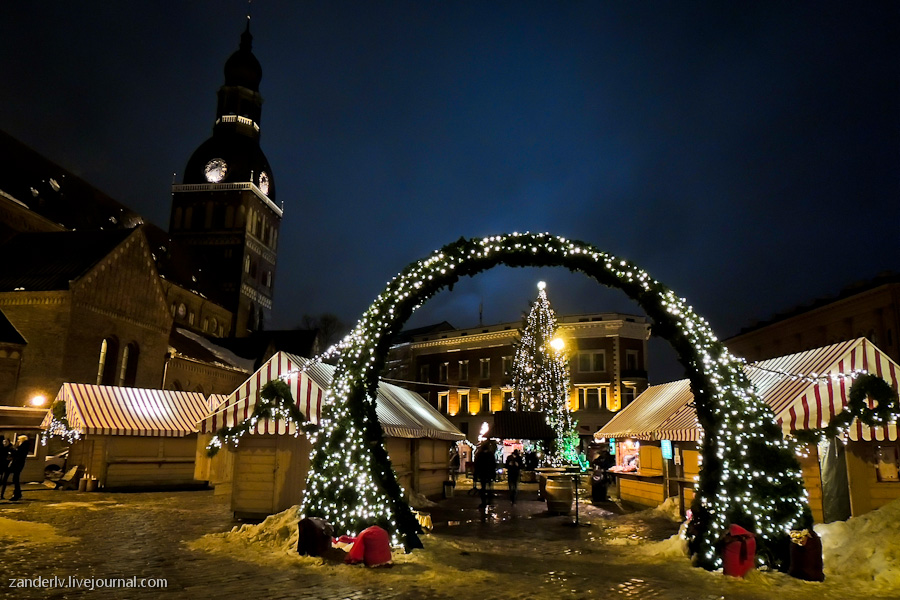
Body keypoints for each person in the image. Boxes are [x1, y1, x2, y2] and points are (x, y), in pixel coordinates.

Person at [2, 435, 32, 501]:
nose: (18, 441)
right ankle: (17, 493)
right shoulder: (24, 446)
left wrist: (13, 449)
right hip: (19, 464)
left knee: (15, 478)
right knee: (15, 478)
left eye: (19, 440)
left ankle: (17, 494)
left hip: (17, 464)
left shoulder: (23, 446)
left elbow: (17, 454)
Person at [473, 441, 497, 507]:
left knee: (483, 487)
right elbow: (493, 465)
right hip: (489, 473)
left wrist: (475, 475)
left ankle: (483, 502)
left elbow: (476, 465)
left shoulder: (479, 455)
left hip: (482, 473)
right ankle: (489, 500)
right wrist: (493, 474)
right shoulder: (490, 455)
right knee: (489, 486)